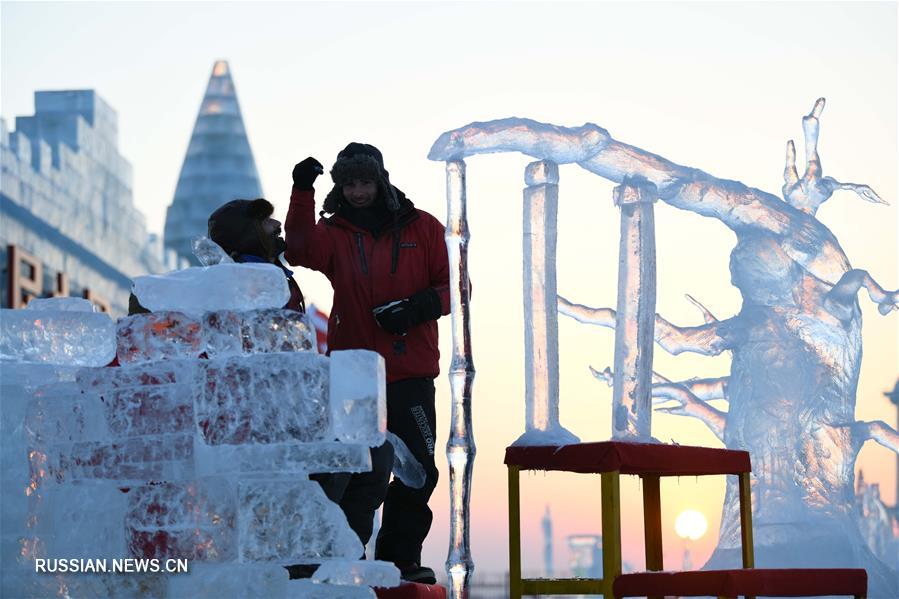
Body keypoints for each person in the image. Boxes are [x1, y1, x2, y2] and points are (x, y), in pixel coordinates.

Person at [285, 143, 449, 584]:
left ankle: (399, 560)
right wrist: (302, 191)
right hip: (352, 372)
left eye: (365, 182)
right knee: (347, 468)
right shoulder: (334, 232)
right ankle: (337, 556)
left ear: (381, 180)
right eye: (349, 184)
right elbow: (299, 250)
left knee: (420, 469)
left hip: (409, 372)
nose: (357, 192)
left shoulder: (425, 228)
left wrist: (415, 308)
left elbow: (455, 288)